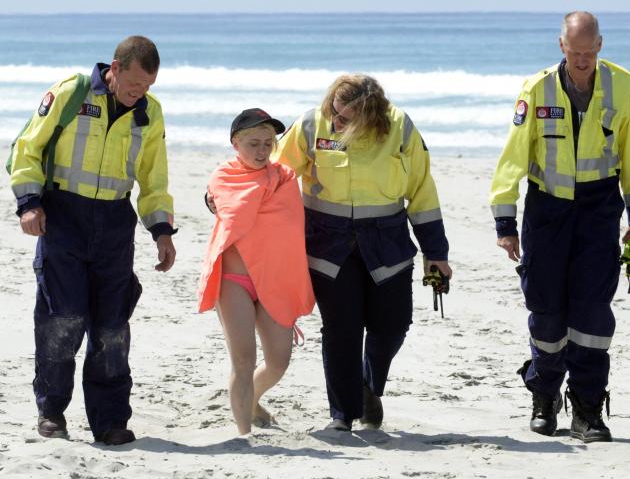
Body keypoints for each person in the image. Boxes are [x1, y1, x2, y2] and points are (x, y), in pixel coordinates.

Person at [9, 36, 177, 445]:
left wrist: (161, 231)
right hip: (63, 216)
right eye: (135, 84)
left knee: (112, 327)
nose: (141, 93)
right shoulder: (71, 93)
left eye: (148, 87)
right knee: (61, 320)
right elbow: (27, 149)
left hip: (115, 223)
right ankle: (52, 412)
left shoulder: (149, 113)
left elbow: (154, 178)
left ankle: (110, 421)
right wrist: (29, 204)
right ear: (114, 69)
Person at [272, 74, 452, 431]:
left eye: (345, 119)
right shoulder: (311, 124)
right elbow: (273, 175)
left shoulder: (399, 128)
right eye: (335, 113)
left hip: (387, 245)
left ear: (370, 116)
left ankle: (368, 383)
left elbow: (421, 191)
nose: (336, 122)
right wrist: (227, 196)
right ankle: (342, 415)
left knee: (394, 324)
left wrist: (436, 252)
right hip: (328, 245)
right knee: (342, 331)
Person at [490, 12, 630, 443]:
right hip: (547, 211)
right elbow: (513, 157)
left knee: (591, 313)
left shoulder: (624, 87)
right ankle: (545, 396)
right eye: (576, 53)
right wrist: (505, 220)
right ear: (561, 46)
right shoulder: (537, 90)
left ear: (601, 46)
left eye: (590, 53)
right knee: (547, 312)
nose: (583, 61)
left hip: (599, 208)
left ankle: (588, 410)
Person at [197, 109, 315, 435]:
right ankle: (243, 435)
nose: (262, 151)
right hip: (234, 281)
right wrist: (247, 198)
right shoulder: (222, 177)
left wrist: (259, 196)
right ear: (235, 143)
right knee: (244, 361)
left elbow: (286, 222)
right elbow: (236, 214)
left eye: (268, 143)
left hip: (275, 279)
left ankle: (253, 400)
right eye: (253, 144)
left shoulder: (286, 178)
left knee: (278, 362)